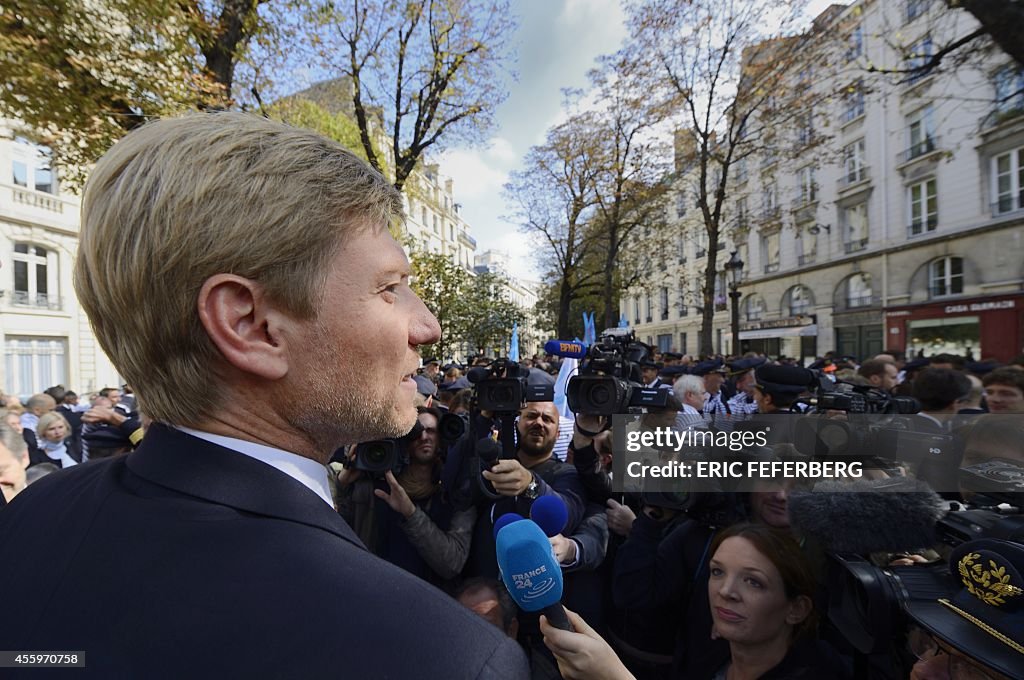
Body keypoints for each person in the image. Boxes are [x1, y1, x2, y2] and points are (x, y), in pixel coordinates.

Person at [0, 112, 527, 679]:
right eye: (391, 288)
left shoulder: (36, 513)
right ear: (249, 324)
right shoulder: (447, 657)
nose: (428, 325)